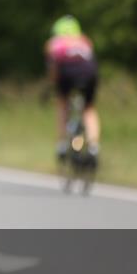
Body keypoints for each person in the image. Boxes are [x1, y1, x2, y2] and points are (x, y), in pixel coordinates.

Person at [45, 15, 100, 167]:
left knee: (62, 104)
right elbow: (92, 59)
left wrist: (54, 85)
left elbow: (53, 68)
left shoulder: (54, 43)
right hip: (89, 71)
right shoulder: (84, 40)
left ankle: (62, 144)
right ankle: (93, 147)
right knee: (89, 109)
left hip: (67, 71)